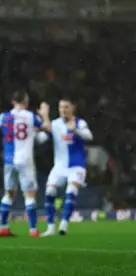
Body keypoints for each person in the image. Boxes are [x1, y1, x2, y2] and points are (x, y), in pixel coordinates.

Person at [0, 91, 51, 238]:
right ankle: (33, 229)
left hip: (9, 159)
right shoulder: (31, 116)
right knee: (29, 194)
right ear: (26, 102)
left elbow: (1, 128)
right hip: (25, 159)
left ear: (13, 101)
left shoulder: (3, 116)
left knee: (8, 193)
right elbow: (47, 129)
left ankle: (3, 226)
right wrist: (44, 114)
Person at [39, 98, 93, 236]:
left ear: (73, 108)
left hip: (76, 166)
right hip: (59, 167)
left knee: (71, 190)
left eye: (66, 107)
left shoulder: (80, 123)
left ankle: (63, 224)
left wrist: (76, 130)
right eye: (61, 107)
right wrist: (41, 122)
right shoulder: (55, 124)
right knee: (50, 192)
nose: (63, 110)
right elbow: (42, 137)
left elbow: (89, 136)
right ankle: (50, 228)